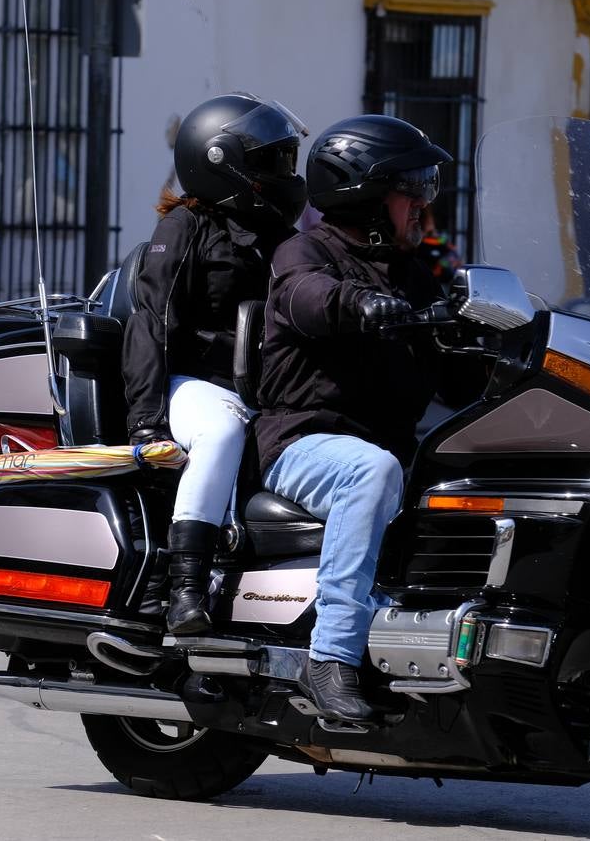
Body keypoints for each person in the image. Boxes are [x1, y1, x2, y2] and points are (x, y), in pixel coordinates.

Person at [255, 114, 471, 722]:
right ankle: (330, 658)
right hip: (304, 443)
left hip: (388, 441)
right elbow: (306, 296)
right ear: (368, 194)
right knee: (369, 473)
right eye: (413, 189)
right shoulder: (305, 252)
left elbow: (455, 377)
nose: (424, 205)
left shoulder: (411, 272)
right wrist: (358, 302)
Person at [121, 93, 308, 634]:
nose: (284, 174)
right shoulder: (186, 227)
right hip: (193, 385)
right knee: (224, 431)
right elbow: (152, 320)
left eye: (286, 160)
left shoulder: (284, 239)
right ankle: (184, 585)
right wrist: (147, 420)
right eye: (272, 162)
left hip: (262, 388)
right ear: (223, 161)